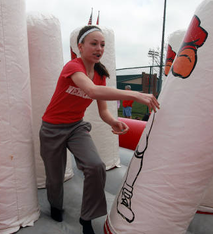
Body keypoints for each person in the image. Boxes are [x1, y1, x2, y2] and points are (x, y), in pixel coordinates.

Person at [39, 25, 160, 234]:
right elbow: (92, 91)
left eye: (102, 45)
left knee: (96, 166)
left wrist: (113, 121)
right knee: (55, 177)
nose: (99, 48)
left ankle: (87, 218)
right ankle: (56, 206)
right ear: (80, 46)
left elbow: (102, 109)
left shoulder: (100, 75)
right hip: (52, 128)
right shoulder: (72, 67)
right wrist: (136, 94)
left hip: (76, 127)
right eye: (94, 44)